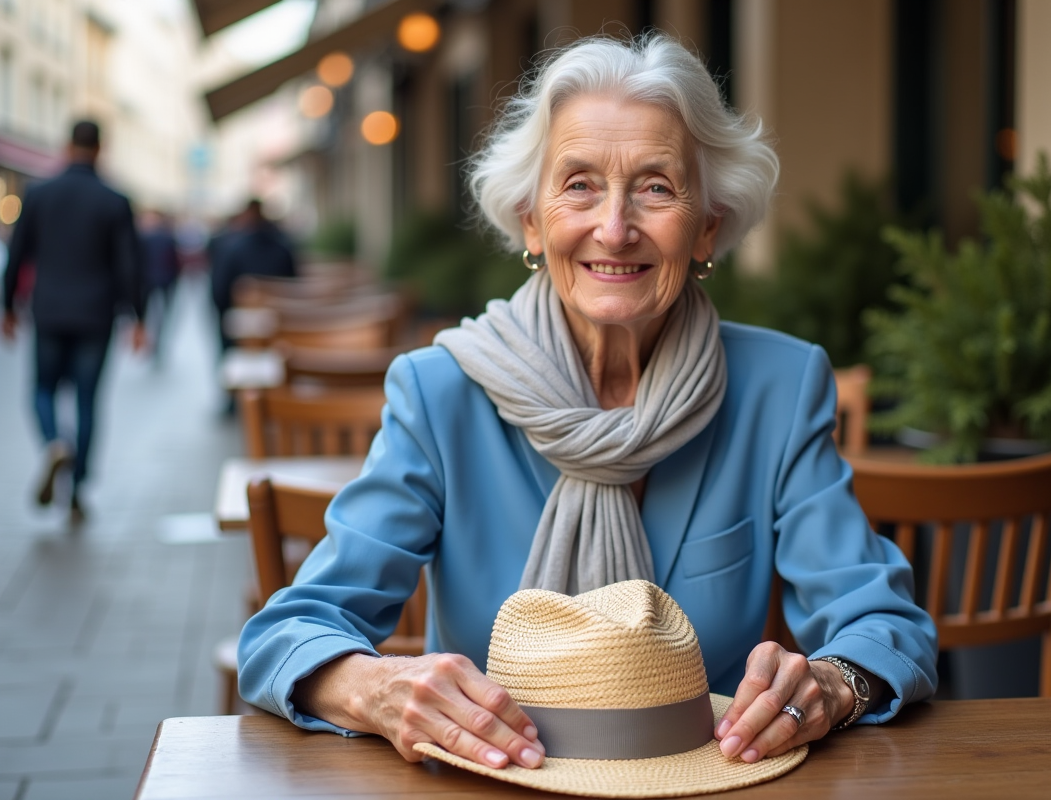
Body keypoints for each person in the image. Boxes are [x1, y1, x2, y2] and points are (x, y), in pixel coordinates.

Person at [239, 34, 937, 773]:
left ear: (709, 226)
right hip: (495, 786)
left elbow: (884, 624)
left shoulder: (779, 386)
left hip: (702, 781)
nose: (614, 227)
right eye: (578, 184)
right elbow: (290, 631)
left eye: (657, 187)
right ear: (531, 221)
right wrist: (375, 686)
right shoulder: (440, 392)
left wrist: (832, 684)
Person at [2, 120, 146, 523]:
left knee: (43, 389)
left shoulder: (39, 193)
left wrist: (8, 306)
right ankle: (78, 490)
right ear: (100, 149)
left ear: (67, 146)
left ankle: (53, 443)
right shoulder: (115, 200)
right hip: (96, 315)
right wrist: (139, 317)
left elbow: (18, 255)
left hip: (48, 311)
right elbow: (130, 265)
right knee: (87, 400)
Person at [208, 198, 296, 355]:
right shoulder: (283, 247)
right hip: (281, 327)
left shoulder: (232, 247)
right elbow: (294, 283)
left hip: (243, 332)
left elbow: (219, 292)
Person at [138, 208, 181, 364]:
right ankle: (156, 342)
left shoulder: (143, 237)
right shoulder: (167, 237)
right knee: (161, 314)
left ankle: (152, 341)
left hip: (149, 280)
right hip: (164, 280)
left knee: (150, 314)